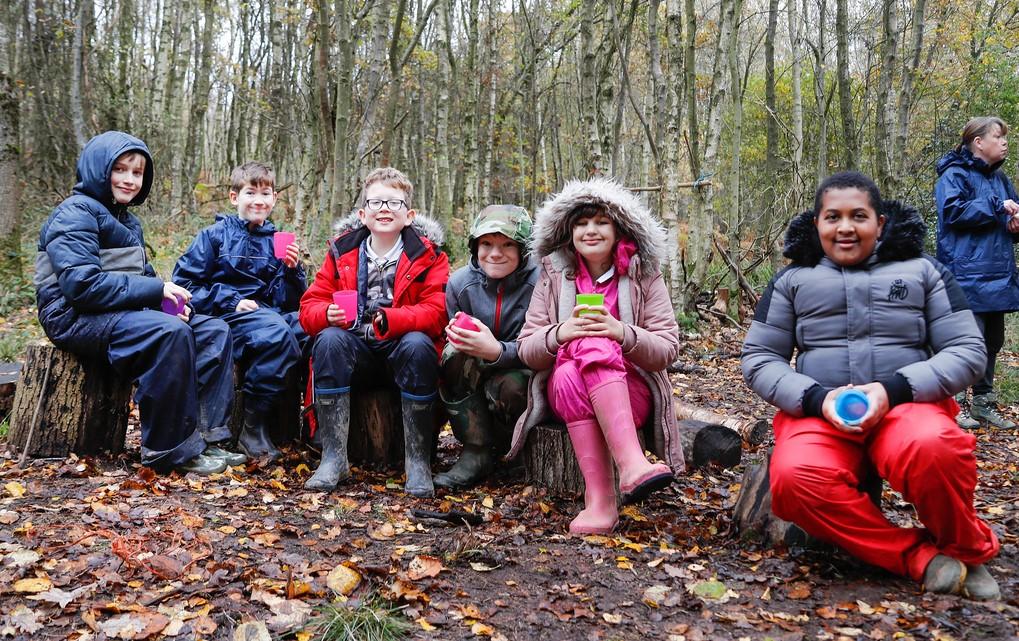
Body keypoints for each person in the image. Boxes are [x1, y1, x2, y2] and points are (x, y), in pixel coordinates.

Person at [742, 171, 1000, 600]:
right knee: (793, 477)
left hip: (907, 406)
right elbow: (759, 357)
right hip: (819, 411)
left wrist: (893, 390)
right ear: (816, 224)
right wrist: (817, 398)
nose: (845, 227)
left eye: (858, 216)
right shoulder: (791, 281)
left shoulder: (923, 271)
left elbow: (968, 349)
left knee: (934, 447)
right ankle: (917, 557)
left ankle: (965, 550)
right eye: (833, 217)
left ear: (880, 222)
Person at [34, 131, 239, 475]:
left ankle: (207, 437)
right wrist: (155, 292)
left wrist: (167, 302)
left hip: (115, 313)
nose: (130, 180)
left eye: (138, 172)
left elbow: (138, 278)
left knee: (213, 330)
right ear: (99, 169)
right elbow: (81, 286)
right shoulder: (74, 214)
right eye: (121, 170)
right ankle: (169, 449)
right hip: (72, 316)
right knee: (168, 333)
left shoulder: (128, 221)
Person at [506, 178, 683, 535]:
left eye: (601, 222)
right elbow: (527, 347)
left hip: (631, 392)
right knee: (577, 359)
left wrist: (622, 332)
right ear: (569, 232)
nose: (591, 230)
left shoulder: (644, 274)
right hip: (565, 392)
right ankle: (630, 468)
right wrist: (561, 333)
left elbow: (667, 348)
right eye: (581, 223)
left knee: (597, 343)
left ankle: (600, 501)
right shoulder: (554, 275)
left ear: (619, 230)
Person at [298, 167, 449, 496]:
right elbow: (308, 308)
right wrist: (328, 313)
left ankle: (418, 460)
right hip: (356, 353)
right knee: (328, 339)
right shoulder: (342, 253)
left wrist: (393, 319)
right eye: (376, 202)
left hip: (402, 353)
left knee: (419, 344)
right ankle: (334, 457)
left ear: (408, 216)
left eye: (394, 203)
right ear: (363, 214)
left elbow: (438, 311)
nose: (384, 209)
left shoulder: (429, 256)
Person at [172, 162, 308, 461]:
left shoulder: (277, 241)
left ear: (274, 199)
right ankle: (253, 427)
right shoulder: (214, 236)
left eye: (266, 193)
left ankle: (313, 426)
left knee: (310, 326)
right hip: (226, 317)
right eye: (251, 192)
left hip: (266, 316)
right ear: (235, 197)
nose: (258, 200)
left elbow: (289, 302)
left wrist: (293, 271)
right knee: (276, 332)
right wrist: (231, 300)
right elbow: (184, 284)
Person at [434, 205, 539, 490]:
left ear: (523, 249)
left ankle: (513, 448)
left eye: (507, 244)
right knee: (453, 355)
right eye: (487, 244)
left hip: (523, 371)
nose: (495, 253)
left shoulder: (541, 282)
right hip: (474, 374)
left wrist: (497, 351)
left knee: (514, 385)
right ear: (474, 246)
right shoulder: (459, 283)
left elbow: (545, 347)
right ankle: (476, 450)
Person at [936, 116, 1019, 429]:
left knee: (993, 340)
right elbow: (953, 211)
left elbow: (1011, 214)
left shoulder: (1000, 179)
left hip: (998, 273)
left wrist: (1015, 223)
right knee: (965, 339)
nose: (1004, 142)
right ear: (978, 142)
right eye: (998, 136)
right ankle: (955, 403)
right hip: (966, 273)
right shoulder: (953, 174)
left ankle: (984, 402)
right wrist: (999, 207)